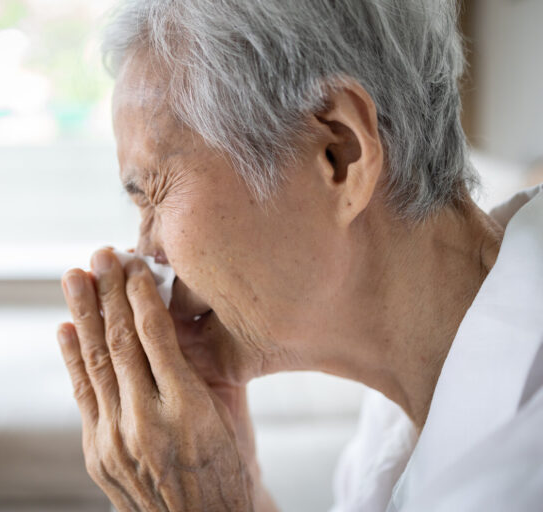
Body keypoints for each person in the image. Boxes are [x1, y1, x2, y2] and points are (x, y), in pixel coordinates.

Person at [56, 1, 543, 510]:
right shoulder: (409, 403)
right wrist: (233, 486)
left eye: (154, 193)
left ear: (339, 154)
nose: (147, 253)